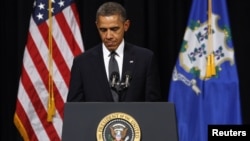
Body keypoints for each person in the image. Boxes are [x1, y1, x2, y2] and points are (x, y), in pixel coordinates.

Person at [67, 1, 162, 102]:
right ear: (97, 26)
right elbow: (74, 109)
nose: (108, 36)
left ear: (126, 25)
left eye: (114, 29)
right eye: (103, 30)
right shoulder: (82, 63)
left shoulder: (145, 59)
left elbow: (153, 107)